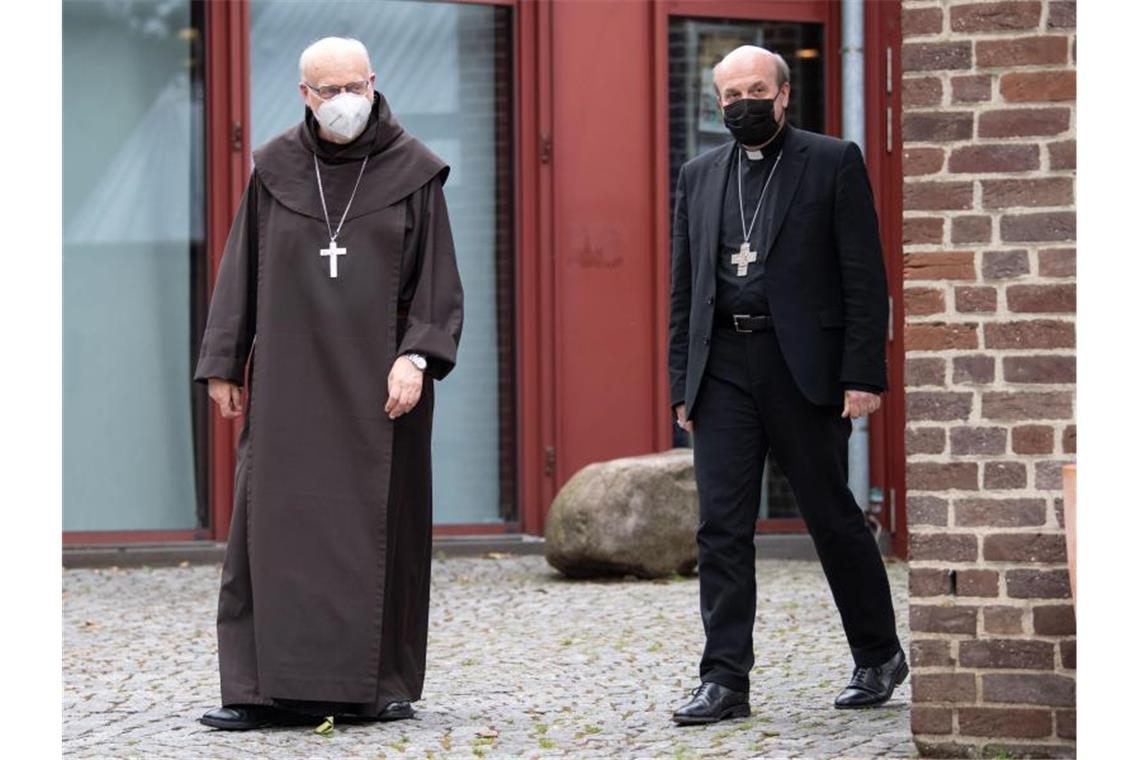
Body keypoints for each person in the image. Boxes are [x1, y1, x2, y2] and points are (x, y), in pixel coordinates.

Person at [194, 37, 463, 731]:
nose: (343, 100)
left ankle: (379, 686)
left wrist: (419, 358)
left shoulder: (416, 172)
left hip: (382, 387)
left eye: (354, 85)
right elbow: (240, 269)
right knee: (267, 527)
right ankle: (256, 688)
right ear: (304, 96)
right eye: (327, 90)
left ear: (373, 82)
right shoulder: (275, 170)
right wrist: (225, 360)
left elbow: (439, 284)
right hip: (288, 382)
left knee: (381, 535)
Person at [668, 45, 906, 725]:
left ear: (782, 94)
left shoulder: (832, 161)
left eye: (753, 90)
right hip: (723, 372)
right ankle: (724, 679)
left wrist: (864, 375)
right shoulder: (698, 174)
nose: (739, 103)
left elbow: (865, 276)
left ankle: (878, 653)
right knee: (720, 526)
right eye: (727, 94)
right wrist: (683, 383)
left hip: (804, 366)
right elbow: (685, 287)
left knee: (830, 516)